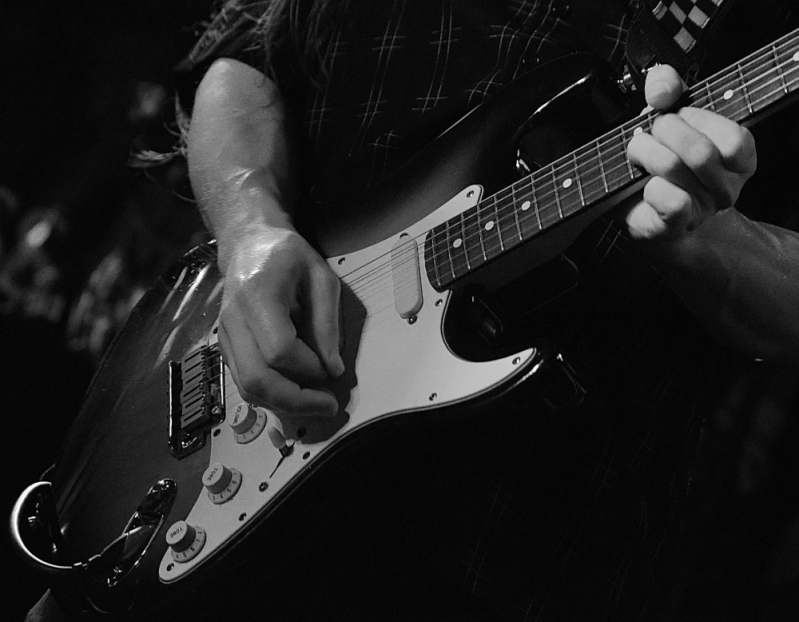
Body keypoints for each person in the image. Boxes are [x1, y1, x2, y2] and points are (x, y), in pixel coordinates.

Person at [25, 0, 799, 620]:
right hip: (222, 449)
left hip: (513, 544)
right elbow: (246, 60)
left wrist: (701, 243)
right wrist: (250, 228)